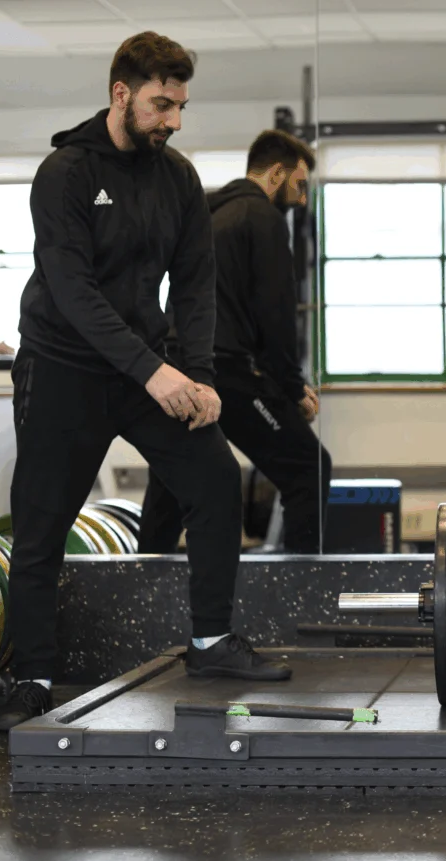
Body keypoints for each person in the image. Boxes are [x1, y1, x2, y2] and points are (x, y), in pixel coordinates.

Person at [0, 31, 291, 732]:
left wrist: (202, 375)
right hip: (63, 365)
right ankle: (31, 676)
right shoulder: (64, 173)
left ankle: (211, 641)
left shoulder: (177, 177)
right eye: (161, 104)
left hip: (144, 366)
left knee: (214, 478)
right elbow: (71, 289)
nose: (173, 120)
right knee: (41, 524)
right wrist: (154, 371)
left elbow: (194, 282)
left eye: (180, 106)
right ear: (120, 94)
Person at [138, 129, 332, 555]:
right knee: (309, 468)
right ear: (276, 173)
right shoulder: (261, 218)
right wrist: (290, 388)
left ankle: (140, 597)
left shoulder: (207, 213)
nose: (301, 200)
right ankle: (300, 600)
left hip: (176, 368)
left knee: (171, 484)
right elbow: (275, 314)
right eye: (299, 186)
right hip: (223, 369)